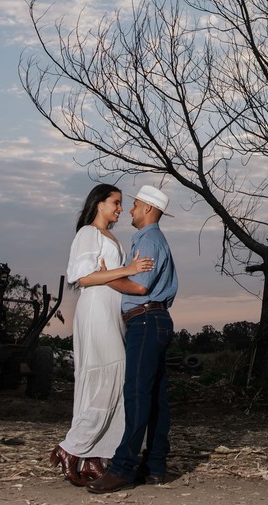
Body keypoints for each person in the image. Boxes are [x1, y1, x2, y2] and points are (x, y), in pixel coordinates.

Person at [50, 183, 154, 486]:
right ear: (99, 203)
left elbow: (111, 277)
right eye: (116, 202)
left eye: (121, 203)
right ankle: (70, 448)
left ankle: (94, 458)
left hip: (112, 312)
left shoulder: (112, 238)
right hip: (95, 310)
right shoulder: (88, 233)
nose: (120, 209)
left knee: (114, 382)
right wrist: (127, 269)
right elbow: (82, 277)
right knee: (110, 376)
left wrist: (132, 279)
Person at [88, 184, 178, 494]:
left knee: (137, 393)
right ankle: (155, 467)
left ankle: (123, 468)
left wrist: (109, 277)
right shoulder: (152, 239)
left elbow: (139, 287)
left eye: (136, 205)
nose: (130, 209)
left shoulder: (149, 240)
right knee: (154, 397)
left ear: (148, 209)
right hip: (154, 320)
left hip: (146, 320)